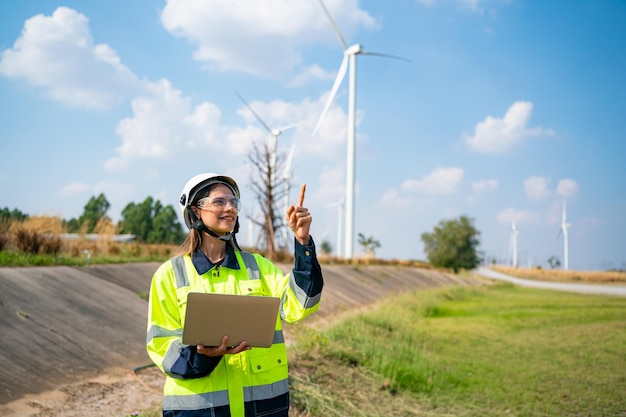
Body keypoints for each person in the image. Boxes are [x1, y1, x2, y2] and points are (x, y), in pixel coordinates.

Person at [146, 172, 323, 417]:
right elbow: (161, 346)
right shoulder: (169, 275)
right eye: (219, 202)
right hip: (199, 411)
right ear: (195, 211)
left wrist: (303, 244)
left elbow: (301, 305)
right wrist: (201, 356)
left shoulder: (259, 267)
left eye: (233, 202)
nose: (230, 208)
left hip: (263, 409)